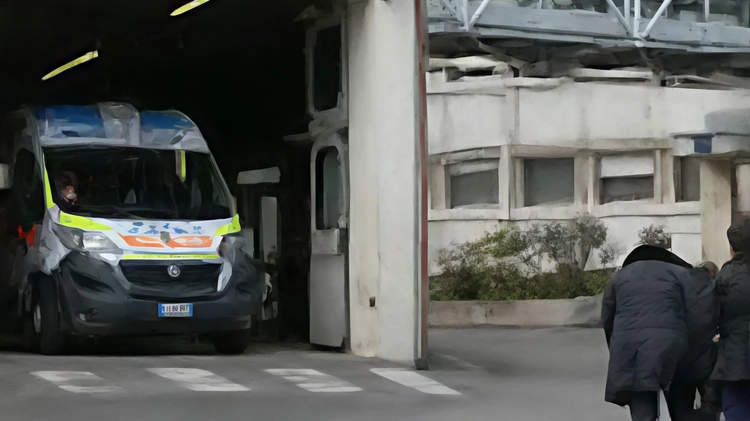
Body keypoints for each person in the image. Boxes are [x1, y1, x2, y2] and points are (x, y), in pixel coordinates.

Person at [602, 244, 698, 421]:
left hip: (630, 349)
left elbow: (607, 319)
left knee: (642, 405)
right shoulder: (680, 273)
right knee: (681, 403)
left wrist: (618, 347)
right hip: (673, 345)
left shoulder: (619, 277)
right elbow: (693, 314)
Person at [668, 261, 721, 421]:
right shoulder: (715, 288)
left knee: (679, 410)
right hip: (707, 362)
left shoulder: (677, 286)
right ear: (712, 273)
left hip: (679, 362)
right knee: (710, 409)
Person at [710, 219, 750, 421]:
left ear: (732, 248)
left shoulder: (725, 276)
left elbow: (708, 315)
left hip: (734, 361)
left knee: (737, 407)